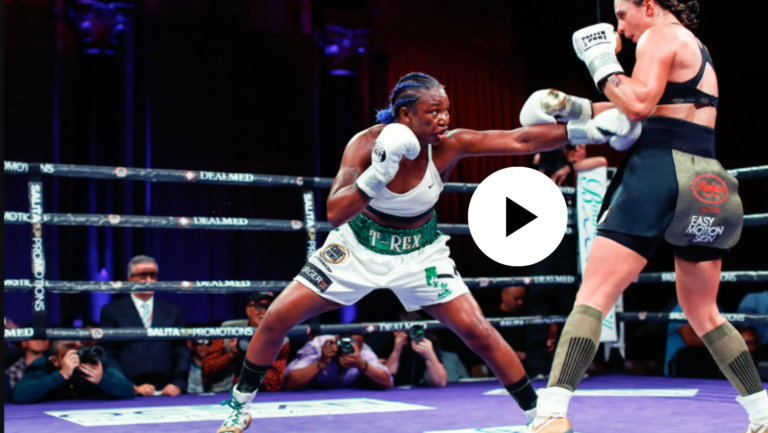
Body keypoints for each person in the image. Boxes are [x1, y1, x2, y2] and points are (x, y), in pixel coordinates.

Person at [216, 72, 640, 433]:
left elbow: (520, 136)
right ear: (405, 116)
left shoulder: (449, 145)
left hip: (421, 254)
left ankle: (537, 415)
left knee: (479, 332)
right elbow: (333, 212)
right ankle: (239, 405)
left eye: (446, 110)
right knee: (276, 318)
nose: (444, 120)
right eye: (432, 112)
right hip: (358, 246)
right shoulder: (365, 145)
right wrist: (377, 176)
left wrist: (590, 130)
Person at [519, 2, 756, 432]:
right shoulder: (695, 47)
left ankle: (552, 413)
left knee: (593, 295)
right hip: (706, 178)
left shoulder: (658, 36)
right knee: (704, 312)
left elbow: (639, 105)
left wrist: (600, 60)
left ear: (649, 5)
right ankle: (760, 414)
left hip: (658, 172)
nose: (619, 27)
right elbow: (659, 109)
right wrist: (574, 106)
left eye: (623, 13)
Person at [100, 255, 189, 397]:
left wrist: (178, 383)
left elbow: (181, 351)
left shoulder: (173, 310)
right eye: (143, 275)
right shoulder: (112, 311)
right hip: (129, 390)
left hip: (167, 390)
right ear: (129, 279)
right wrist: (129, 386)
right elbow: (109, 354)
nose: (149, 281)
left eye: (153, 275)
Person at [203, 293, 289, 392]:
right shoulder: (228, 329)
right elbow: (206, 370)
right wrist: (231, 355)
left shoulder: (281, 339)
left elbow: (275, 383)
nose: (265, 311)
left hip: (260, 395)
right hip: (222, 393)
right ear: (248, 310)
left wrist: (250, 357)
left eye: (270, 307)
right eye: (259, 306)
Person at [12, 341, 135, 404]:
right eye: (68, 356)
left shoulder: (94, 364)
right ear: (55, 360)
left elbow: (129, 390)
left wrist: (102, 380)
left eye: (77, 354)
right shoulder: (43, 365)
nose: (75, 360)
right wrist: (61, 375)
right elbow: (20, 395)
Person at [283, 334, 392, 391]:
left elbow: (387, 382)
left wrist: (362, 364)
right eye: (346, 345)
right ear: (337, 339)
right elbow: (290, 383)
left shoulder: (363, 350)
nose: (349, 349)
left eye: (354, 347)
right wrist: (321, 362)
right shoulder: (320, 345)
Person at [384, 312, 447, 387]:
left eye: (415, 331)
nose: (411, 334)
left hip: (418, 392)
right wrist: (396, 351)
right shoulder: (387, 344)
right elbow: (384, 379)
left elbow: (440, 383)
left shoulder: (426, 343)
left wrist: (430, 356)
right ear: (395, 332)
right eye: (407, 331)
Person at [533, 144, 608, 186]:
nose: (576, 149)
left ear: (585, 154)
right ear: (564, 150)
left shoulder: (588, 166)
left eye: (581, 147)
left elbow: (602, 161)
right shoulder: (551, 164)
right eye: (572, 146)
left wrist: (569, 168)